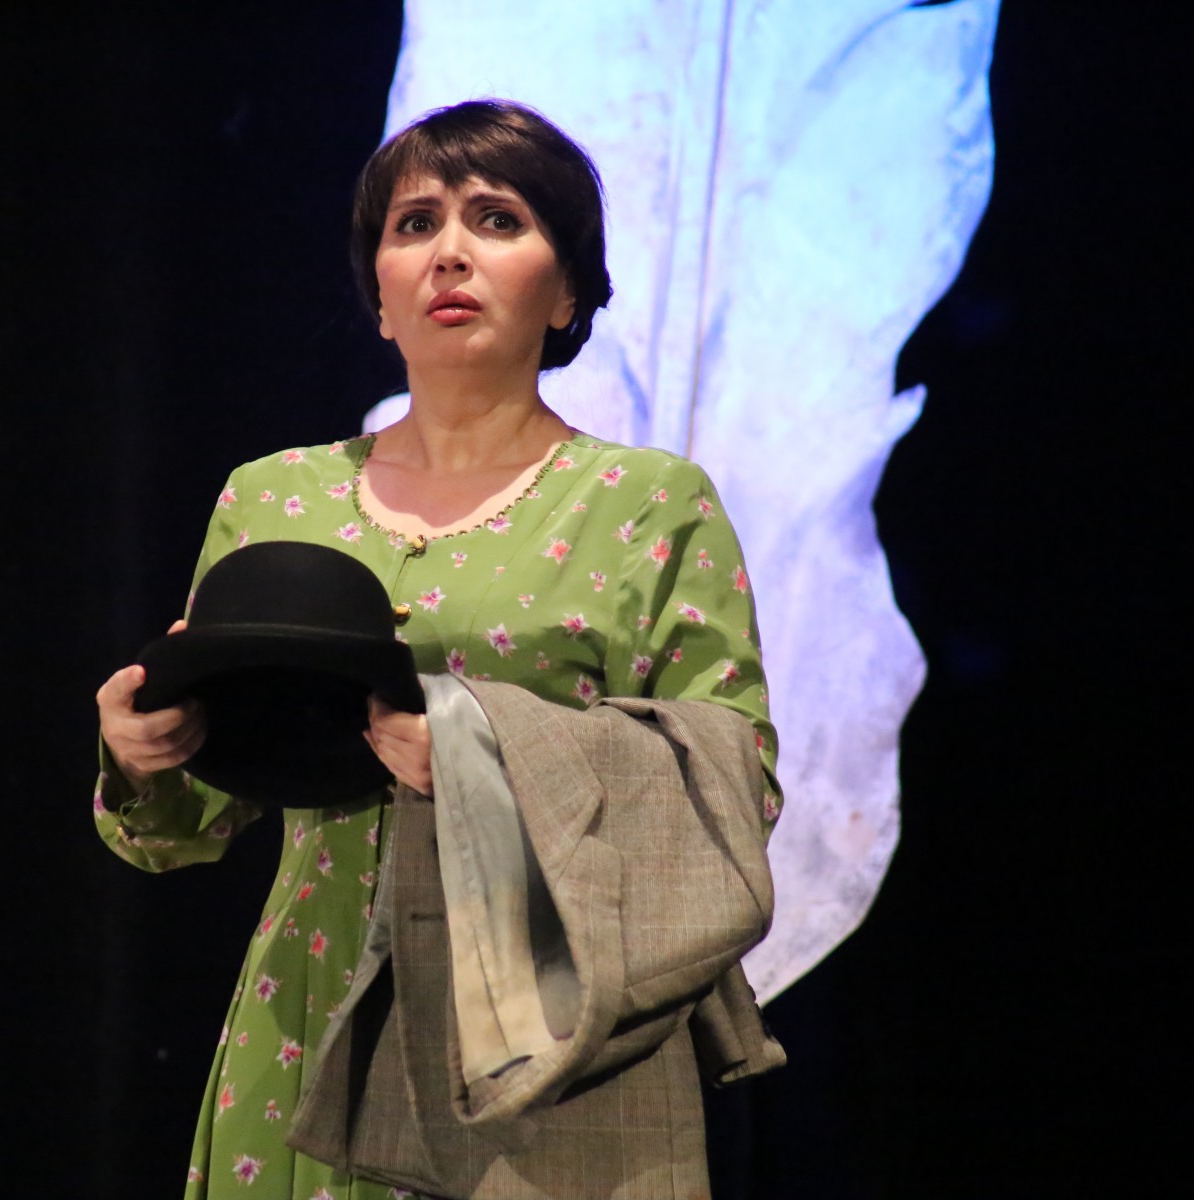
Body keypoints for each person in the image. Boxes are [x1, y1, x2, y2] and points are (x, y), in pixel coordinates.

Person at [94, 98, 782, 1199]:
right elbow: (193, 821)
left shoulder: (646, 502)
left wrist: (481, 754)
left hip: (537, 1037)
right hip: (306, 1013)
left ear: (567, 292)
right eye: (414, 225)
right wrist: (148, 750)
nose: (450, 252)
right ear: (380, 294)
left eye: (497, 220)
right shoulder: (273, 496)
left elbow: (731, 778)